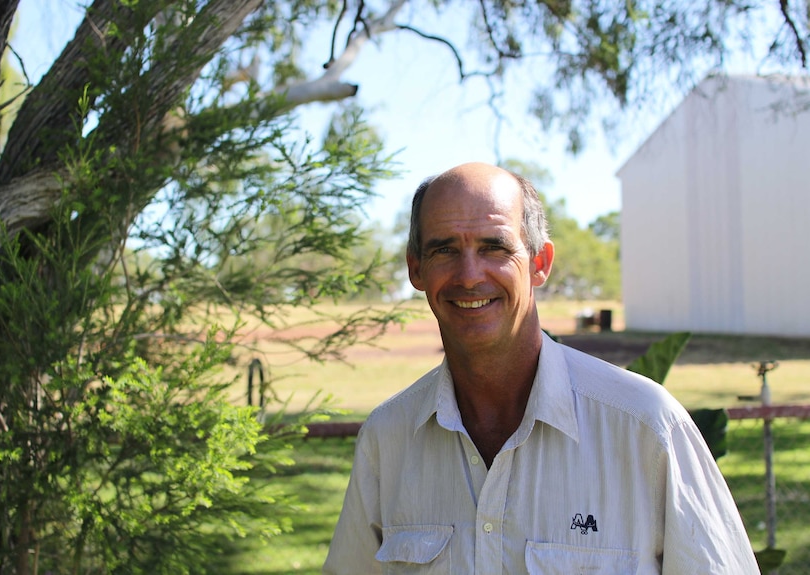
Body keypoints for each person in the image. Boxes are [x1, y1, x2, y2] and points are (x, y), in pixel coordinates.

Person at [323, 162, 759, 574]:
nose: (470, 275)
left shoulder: (646, 427)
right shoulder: (388, 439)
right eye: (444, 250)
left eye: (494, 247)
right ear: (416, 269)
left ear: (539, 263)